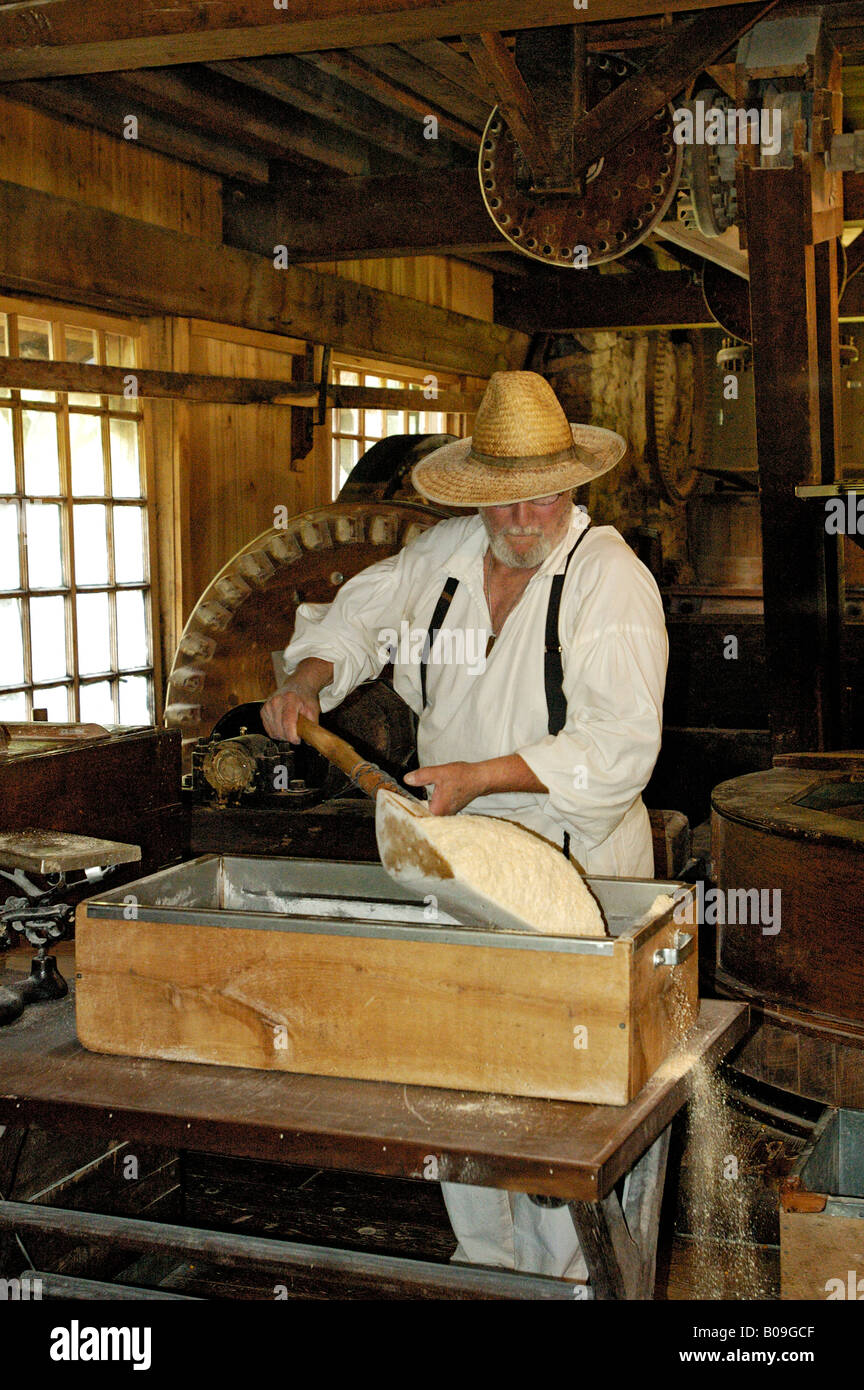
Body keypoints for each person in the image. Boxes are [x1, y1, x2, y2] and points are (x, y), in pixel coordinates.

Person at [262, 369, 669, 1281]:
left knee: (566, 1095)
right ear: (477, 495)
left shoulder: (610, 582)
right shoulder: (441, 559)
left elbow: (617, 747)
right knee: (466, 1074)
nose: (526, 521)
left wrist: (478, 778)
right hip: (457, 861)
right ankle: (487, 1270)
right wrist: (308, 679)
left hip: (575, 865)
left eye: (545, 499)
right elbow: (358, 619)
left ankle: (572, 1281)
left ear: (572, 488)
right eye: (506, 503)